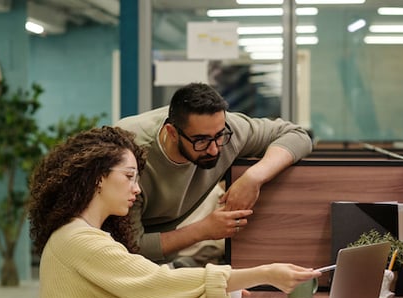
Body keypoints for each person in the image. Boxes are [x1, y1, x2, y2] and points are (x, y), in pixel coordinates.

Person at [28, 126, 321, 298]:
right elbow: (160, 284)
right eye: (129, 176)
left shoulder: (86, 236)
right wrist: (265, 273)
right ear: (97, 178)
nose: (137, 189)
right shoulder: (79, 242)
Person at [115, 82, 313, 264]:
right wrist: (204, 230)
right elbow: (129, 247)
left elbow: (296, 136)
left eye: (219, 136)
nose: (214, 150)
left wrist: (254, 177)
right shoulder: (128, 154)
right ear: (172, 133)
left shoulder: (228, 130)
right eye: (201, 140)